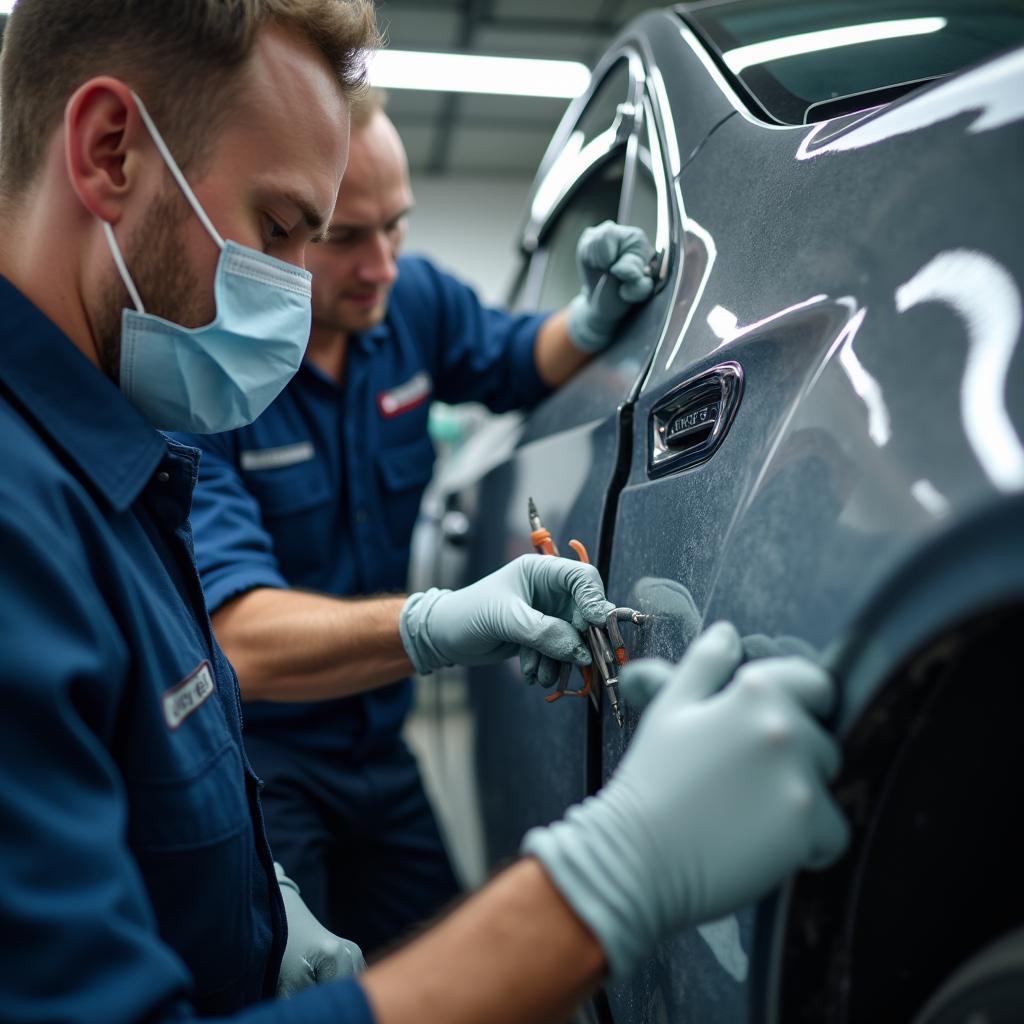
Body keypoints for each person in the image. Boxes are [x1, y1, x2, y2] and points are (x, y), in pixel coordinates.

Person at [0, 2, 849, 1021]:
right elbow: (230, 642)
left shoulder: (108, 442)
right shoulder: (111, 454)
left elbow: (506, 357)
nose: (342, 272)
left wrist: (250, 900)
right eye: (283, 230)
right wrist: (604, 885)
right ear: (109, 151)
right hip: (294, 756)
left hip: (356, 756)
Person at [168, 87, 657, 953]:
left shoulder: (414, 304)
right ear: (279, 231)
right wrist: (437, 623)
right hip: (264, 762)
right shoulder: (211, 377)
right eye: (347, 237)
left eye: (396, 226)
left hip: (382, 750)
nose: (383, 264)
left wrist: (587, 322)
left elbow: (511, 359)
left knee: (443, 958)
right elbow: (238, 634)